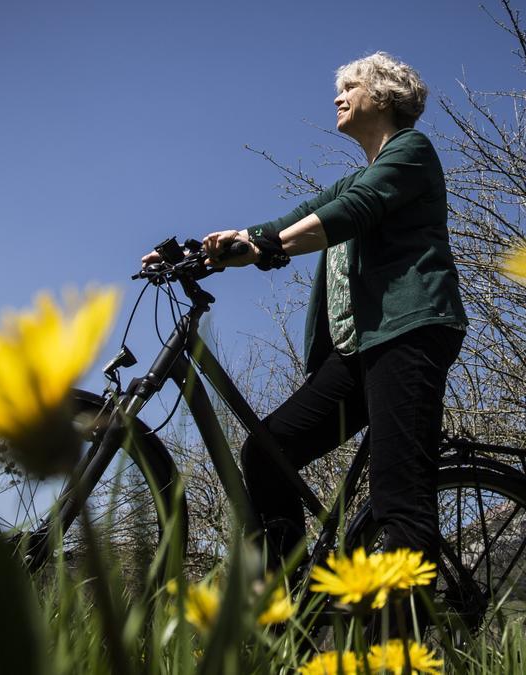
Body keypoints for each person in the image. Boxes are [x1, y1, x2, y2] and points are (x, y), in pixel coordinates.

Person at [143, 51, 466, 606]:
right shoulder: (353, 178)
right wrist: (204, 252)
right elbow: (286, 223)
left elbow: (354, 212)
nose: (338, 95)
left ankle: (403, 643)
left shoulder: (411, 154)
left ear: (383, 96)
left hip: (408, 334)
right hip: (357, 349)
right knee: (267, 453)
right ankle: (294, 610)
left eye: (350, 85)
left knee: (399, 500)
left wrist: (266, 246)